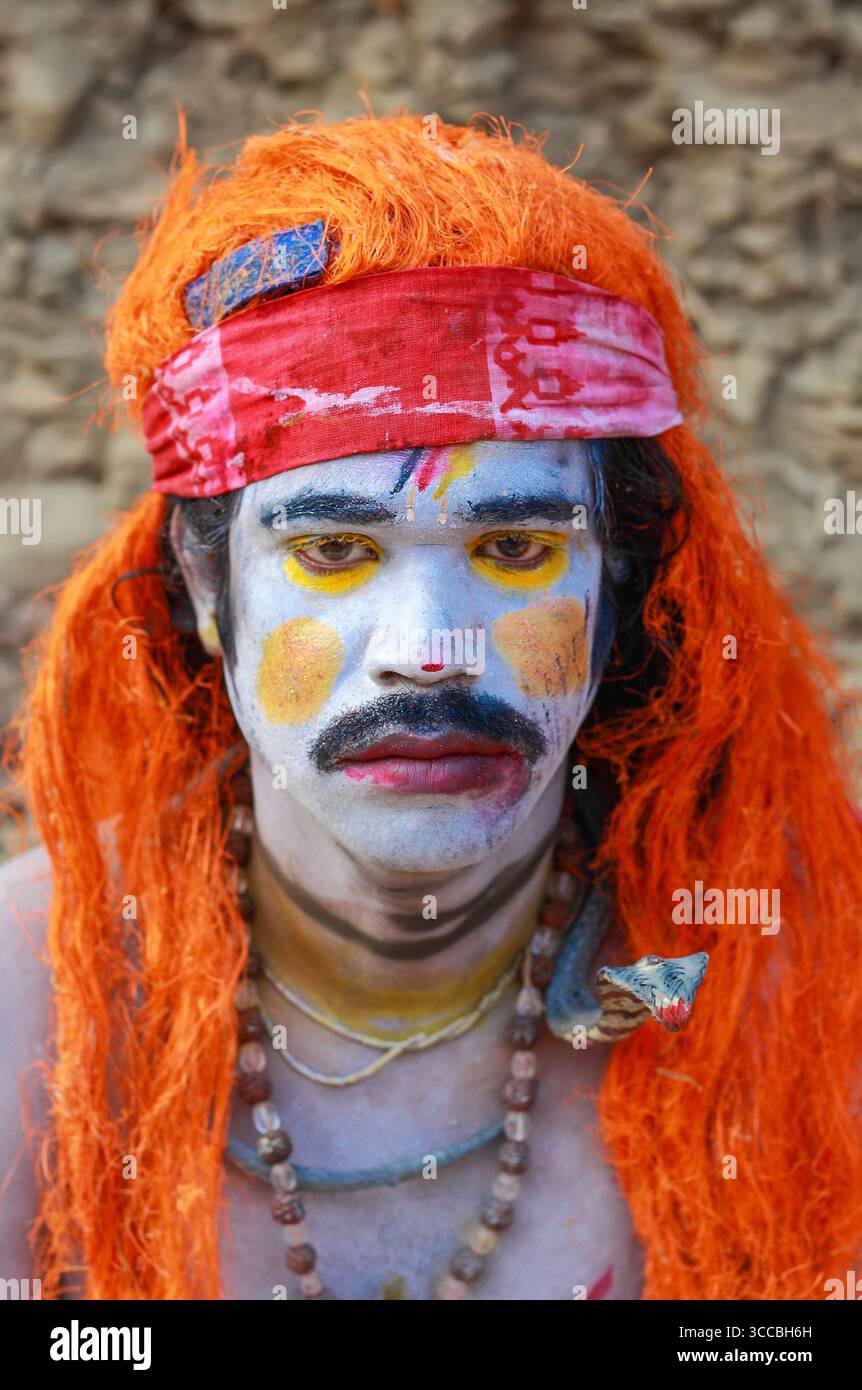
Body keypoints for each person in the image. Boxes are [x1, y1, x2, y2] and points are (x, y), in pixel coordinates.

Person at [0, 112, 859, 1302]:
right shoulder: (24, 1006)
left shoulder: (809, 992)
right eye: (335, 550)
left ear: (616, 578)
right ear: (208, 585)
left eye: (512, 544)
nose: (430, 654)